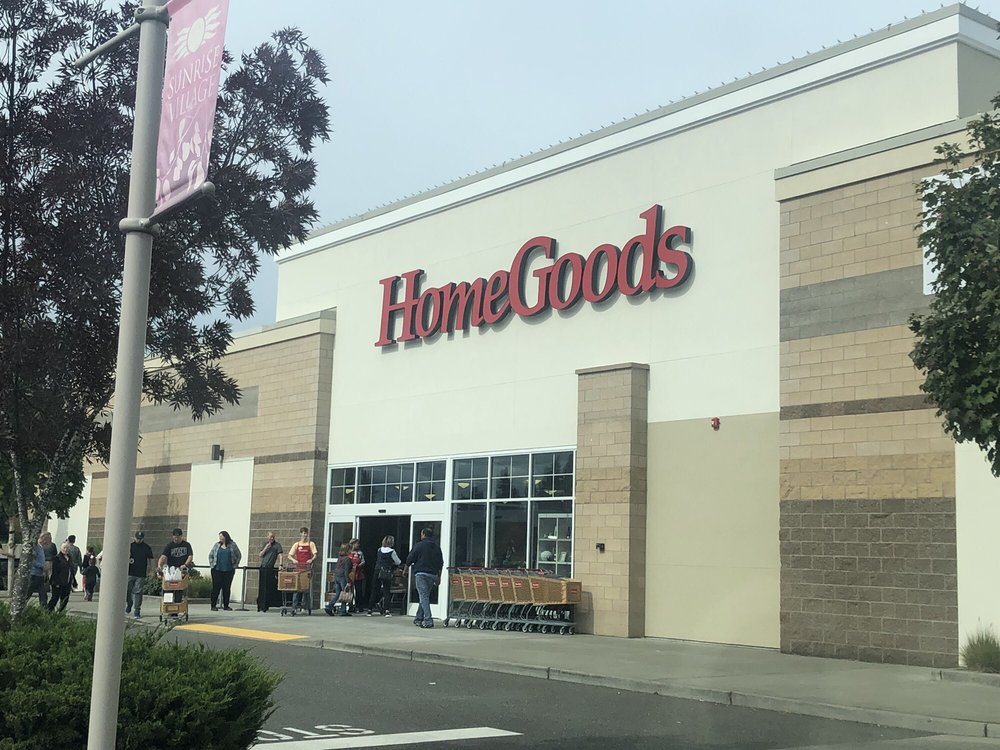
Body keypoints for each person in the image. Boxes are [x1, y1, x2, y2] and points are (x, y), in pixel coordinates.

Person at [402, 527, 444, 629]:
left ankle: (428, 620)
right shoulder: (436, 547)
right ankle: (418, 618)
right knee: (424, 596)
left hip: (421, 573)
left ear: (423, 535)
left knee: (424, 596)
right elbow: (440, 563)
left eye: (421, 534)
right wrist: (439, 576)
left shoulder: (419, 545)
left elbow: (410, 558)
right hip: (432, 575)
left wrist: (405, 569)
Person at [208, 530, 242, 611]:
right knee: (216, 588)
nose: (220, 538)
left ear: (225, 536)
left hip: (229, 570)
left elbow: (239, 555)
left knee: (226, 588)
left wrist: (235, 565)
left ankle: (226, 605)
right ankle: (213, 605)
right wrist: (212, 565)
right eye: (219, 536)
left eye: (221, 536)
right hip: (217, 570)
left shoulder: (232, 545)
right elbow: (211, 555)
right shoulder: (217, 545)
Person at [367, 535, 401, 617]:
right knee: (386, 591)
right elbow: (398, 562)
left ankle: (370, 609)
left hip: (377, 571)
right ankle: (386, 610)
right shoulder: (392, 551)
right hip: (386, 571)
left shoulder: (379, 550)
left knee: (374, 590)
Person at [287, 527, 316, 612]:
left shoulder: (311, 544)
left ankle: (304, 606)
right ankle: (294, 607)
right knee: (296, 589)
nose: (305, 535)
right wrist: (293, 560)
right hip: (298, 569)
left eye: (306, 533)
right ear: (300, 534)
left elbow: (315, 554)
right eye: (303, 533)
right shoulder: (296, 544)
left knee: (305, 589)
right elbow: (289, 555)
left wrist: (311, 559)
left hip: (307, 569)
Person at [126, 530, 154, 618]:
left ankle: (137, 610)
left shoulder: (146, 547)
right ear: (134, 538)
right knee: (127, 590)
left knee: (138, 592)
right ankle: (129, 603)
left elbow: (150, 559)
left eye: (140, 539)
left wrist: (151, 570)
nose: (139, 540)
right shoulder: (130, 546)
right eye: (137, 538)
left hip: (141, 573)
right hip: (130, 572)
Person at [257, 531, 283, 612]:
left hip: (270, 568)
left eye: (273, 537)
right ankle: (260, 605)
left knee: (268, 587)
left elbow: (280, 555)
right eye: (270, 537)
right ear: (267, 537)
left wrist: (281, 564)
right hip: (263, 567)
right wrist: (266, 548)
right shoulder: (265, 544)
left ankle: (266, 605)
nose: (272, 538)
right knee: (262, 587)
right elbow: (260, 555)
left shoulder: (277, 545)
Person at [324, 543, 352, 616]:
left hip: (337, 576)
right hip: (343, 577)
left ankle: (329, 606)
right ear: (347, 550)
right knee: (344, 594)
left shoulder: (340, 558)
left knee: (338, 593)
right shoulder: (347, 559)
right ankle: (343, 611)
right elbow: (346, 571)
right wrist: (348, 581)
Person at [47, 542, 73, 612]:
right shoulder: (57, 558)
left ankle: (61, 613)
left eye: (67, 548)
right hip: (58, 582)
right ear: (61, 548)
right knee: (55, 598)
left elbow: (71, 570)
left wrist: (74, 582)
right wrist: (56, 582)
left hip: (67, 582)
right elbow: (55, 571)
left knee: (65, 599)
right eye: (64, 548)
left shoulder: (69, 558)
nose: (65, 549)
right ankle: (48, 611)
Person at [28, 533, 48, 607]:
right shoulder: (36, 547)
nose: (48, 541)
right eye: (48, 539)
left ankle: (43, 609)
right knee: (28, 592)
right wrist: (41, 566)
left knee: (43, 594)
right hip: (34, 574)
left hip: (40, 574)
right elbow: (32, 560)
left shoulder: (41, 548)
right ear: (43, 539)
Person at [348, 538, 366, 613]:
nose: (358, 545)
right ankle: (350, 606)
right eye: (357, 543)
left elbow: (363, 561)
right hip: (350, 574)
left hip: (358, 574)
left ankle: (359, 606)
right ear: (352, 544)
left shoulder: (360, 553)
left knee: (359, 590)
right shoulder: (348, 552)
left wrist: (359, 565)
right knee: (350, 590)